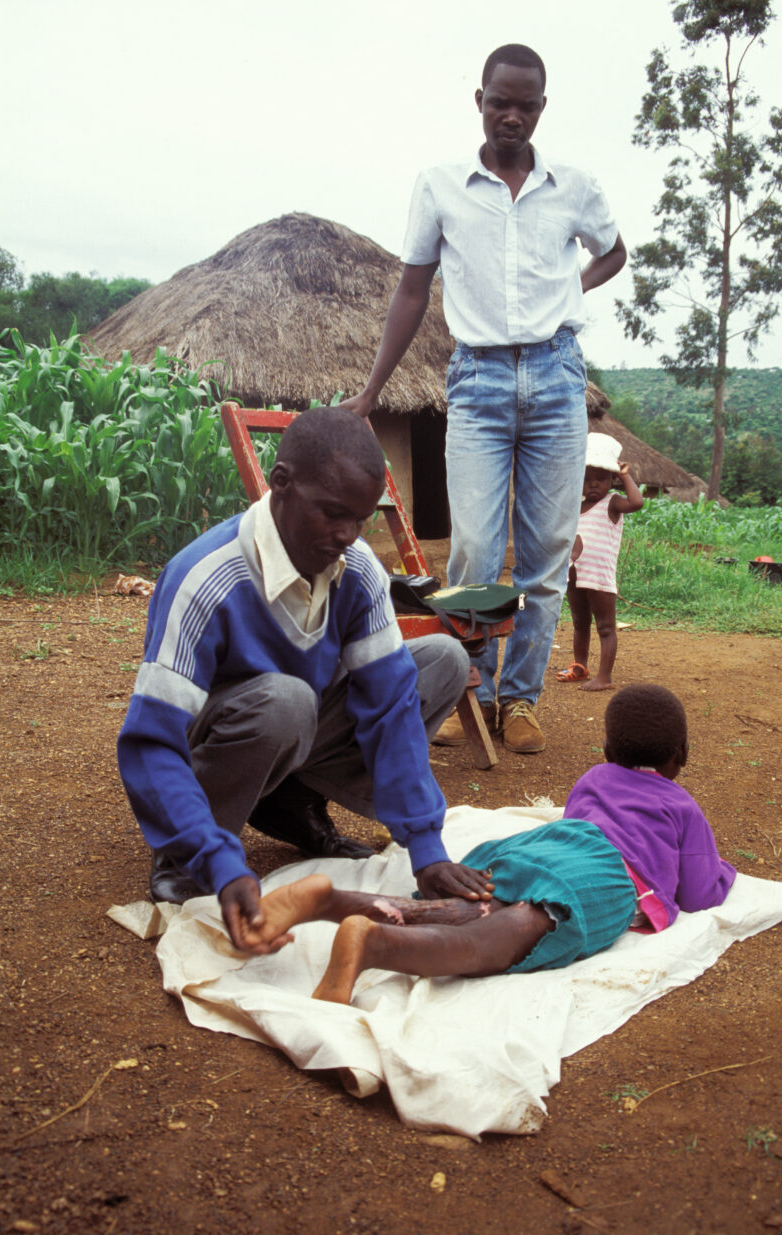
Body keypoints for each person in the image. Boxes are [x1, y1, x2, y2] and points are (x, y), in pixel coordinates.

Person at [117, 407, 495, 953]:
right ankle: (187, 857)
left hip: (295, 728)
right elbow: (152, 743)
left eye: (359, 520)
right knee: (284, 700)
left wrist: (426, 846)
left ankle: (287, 800)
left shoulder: (358, 570)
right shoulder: (206, 579)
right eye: (332, 513)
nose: (346, 535)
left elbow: (390, 706)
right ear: (281, 484)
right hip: (226, 741)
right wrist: (221, 860)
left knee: (441, 660)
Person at [341, 43, 627, 754]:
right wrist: (373, 389)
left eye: (525, 105)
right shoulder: (440, 186)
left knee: (546, 551)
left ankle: (518, 700)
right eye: (500, 101)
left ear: (541, 109)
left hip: (558, 377)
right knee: (471, 546)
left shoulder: (574, 186)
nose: (511, 115)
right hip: (478, 380)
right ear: (479, 99)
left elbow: (615, 251)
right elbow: (412, 289)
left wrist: (571, 291)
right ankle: (462, 689)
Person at [240, 685, 736, 1004]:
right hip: (602, 876)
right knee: (507, 934)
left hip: (548, 845)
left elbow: (581, 822)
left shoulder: (595, 777)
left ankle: (331, 901)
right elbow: (698, 892)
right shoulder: (680, 805)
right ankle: (378, 944)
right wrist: (724, 872)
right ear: (682, 756)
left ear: (606, 751)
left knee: (474, 908)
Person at [556, 433, 644, 691]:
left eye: (601, 478)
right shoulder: (575, 507)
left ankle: (604, 677)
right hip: (575, 575)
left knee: (605, 627)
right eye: (586, 479)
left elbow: (637, 502)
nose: (593, 484)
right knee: (579, 623)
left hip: (600, 578)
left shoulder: (613, 502)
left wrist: (625, 474)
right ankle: (580, 665)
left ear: (612, 479)